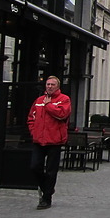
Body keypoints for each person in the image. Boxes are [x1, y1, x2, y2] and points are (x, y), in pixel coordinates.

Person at [27, 76, 71, 210]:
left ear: (57, 87)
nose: (49, 86)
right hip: (39, 140)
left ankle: (46, 198)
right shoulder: (39, 100)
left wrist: (48, 105)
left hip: (54, 141)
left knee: (51, 171)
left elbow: (62, 114)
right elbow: (31, 118)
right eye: (48, 84)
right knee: (34, 166)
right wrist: (33, 131)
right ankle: (47, 188)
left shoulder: (64, 99)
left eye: (52, 84)